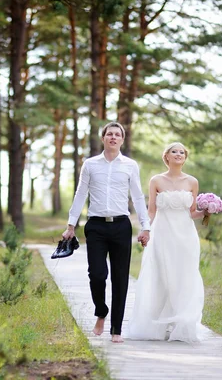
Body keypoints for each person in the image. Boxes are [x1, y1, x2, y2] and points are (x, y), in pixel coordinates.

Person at [62, 122, 151, 343]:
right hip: (96, 226)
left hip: (121, 226)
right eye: (109, 134)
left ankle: (116, 329)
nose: (113, 137)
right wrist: (71, 225)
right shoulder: (90, 165)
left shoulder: (130, 165)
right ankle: (101, 311)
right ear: (103, 138)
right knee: (97, 274)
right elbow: (80, 194)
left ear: (122, 140)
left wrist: (145, 226)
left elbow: (138, 197)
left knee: (120, 278)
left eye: (117, 134)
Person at [126, 142, 207, 343]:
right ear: (167, 157)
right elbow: (151, 211)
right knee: (162, 275)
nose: (179, 154)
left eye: (182, 152)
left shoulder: (192, 182)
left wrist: (207, 210)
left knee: (184, 275)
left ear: (185, 158)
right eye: (174, 151)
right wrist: (145, 229)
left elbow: (192, 212)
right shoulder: (156, 180)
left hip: (186, 236)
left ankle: (182, 323)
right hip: (162, 233)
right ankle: (157, 324)